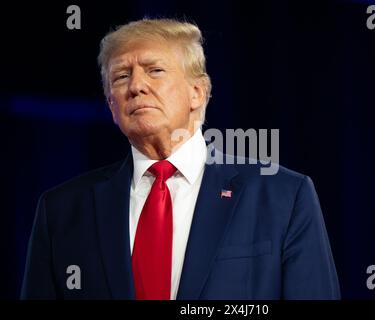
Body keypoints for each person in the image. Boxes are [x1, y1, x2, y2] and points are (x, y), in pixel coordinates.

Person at [21, 18, 340, 300]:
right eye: (121, 76)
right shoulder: (61, 211)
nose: (136, 86)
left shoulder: (283, 195)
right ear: (111, 105)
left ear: (198, 93)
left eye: (155, 70)